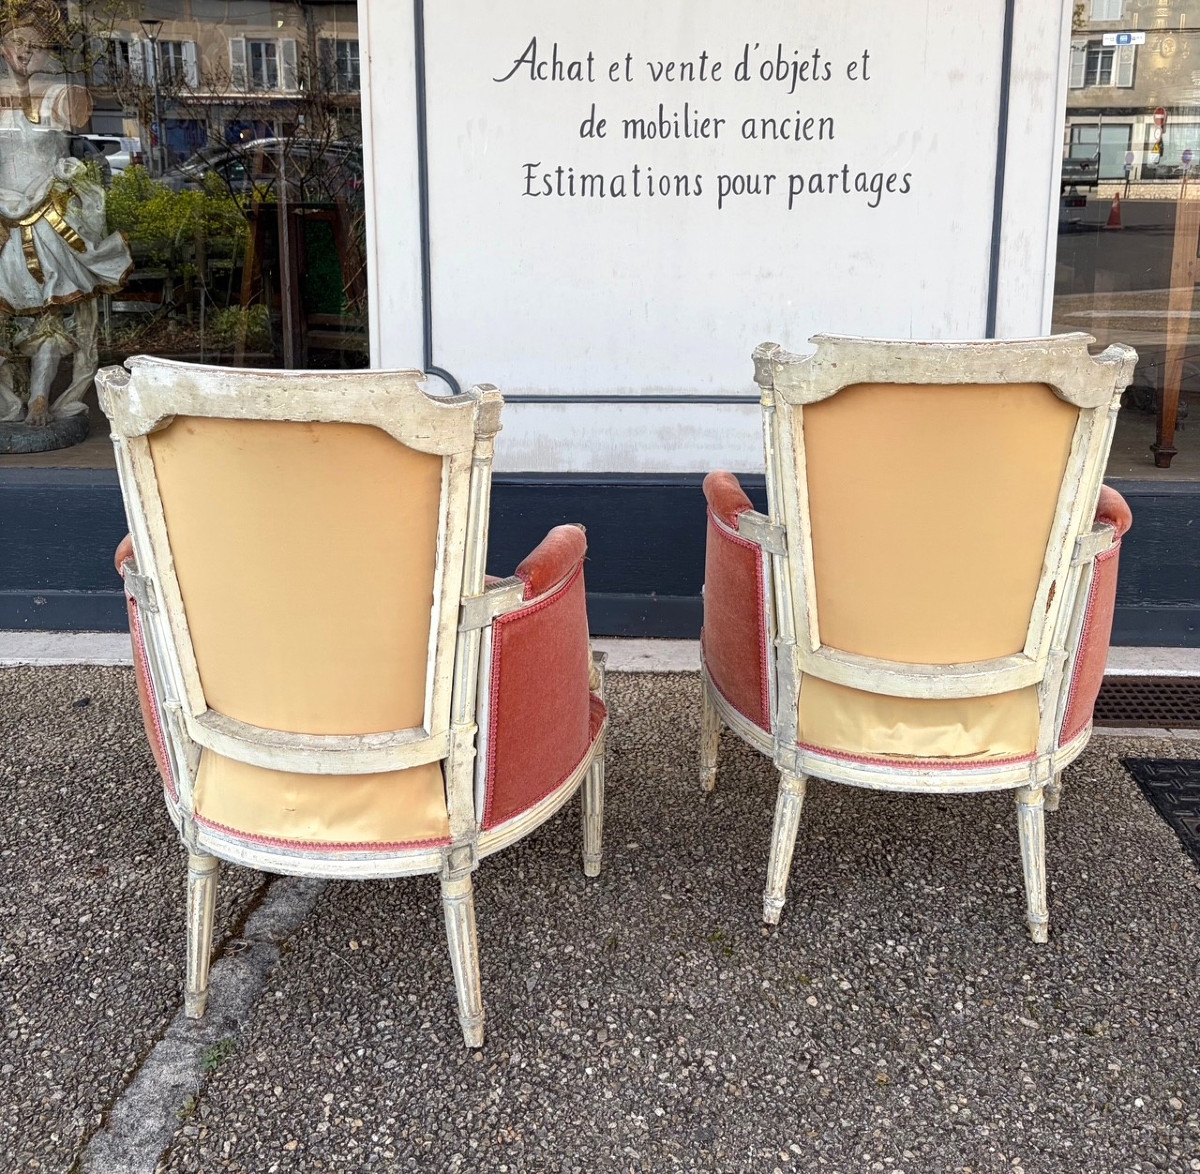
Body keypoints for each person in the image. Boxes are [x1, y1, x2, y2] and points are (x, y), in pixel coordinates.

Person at [0, 0, 132, 429]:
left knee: (52, 311)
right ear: (2, 45)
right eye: (17, 41)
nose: (24, 52)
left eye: (35, 46)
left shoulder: (60, 94)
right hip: (3, 219)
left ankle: (40, 397)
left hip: (48, 216)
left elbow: (78, 110)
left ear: (49, 53)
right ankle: (11, 400)